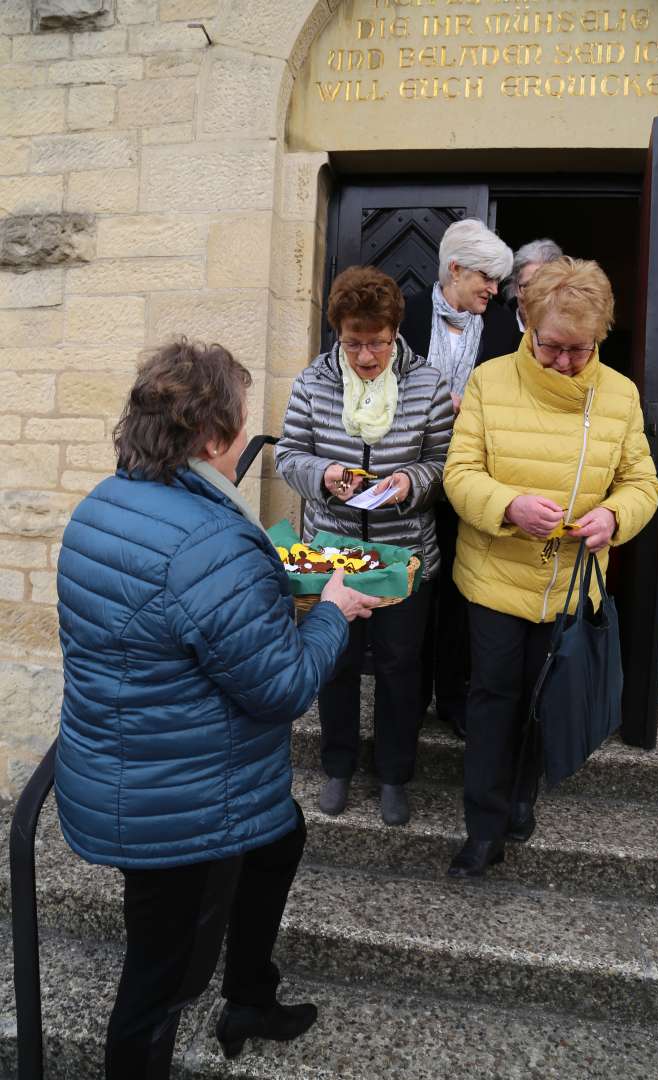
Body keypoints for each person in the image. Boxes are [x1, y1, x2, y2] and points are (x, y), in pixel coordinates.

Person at [54, 339, 379, 1079]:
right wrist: (331, 610)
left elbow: (171, 624)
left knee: (280, 840)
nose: (247, 438)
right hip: (184, 802)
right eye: (240, 422)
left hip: (141, 763)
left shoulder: (107, 502)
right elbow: (282, 686)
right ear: (208, 436)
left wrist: (258, 597)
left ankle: (250, 997)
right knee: (161, 981)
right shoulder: (211, 540)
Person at [443, 257, 658, 878]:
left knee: (544, 701)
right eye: (553, 348)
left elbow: (641, 482)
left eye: (579, 350)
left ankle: (522, 795)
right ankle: (482, 828)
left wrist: (615, 518)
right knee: (492, 700)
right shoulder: (489, 381)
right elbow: (458, 477)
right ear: (528, 326)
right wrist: (508, 505)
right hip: (493, 577)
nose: (565, 362)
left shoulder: (618, 394)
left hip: (569, 585)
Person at [275, 265, 454, 827]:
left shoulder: (429, 385)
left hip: (405, 558)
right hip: (331, 556)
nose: (367, 356)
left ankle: (396, 774)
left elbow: (446, 464)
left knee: (402, 668)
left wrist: (409, 484)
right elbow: (287, 456)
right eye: (354, 342)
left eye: (377, 342)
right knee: (336, 662)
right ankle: (338, 765)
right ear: (338, 333)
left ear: (395, 332)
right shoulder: (312, 382)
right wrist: (325, 474)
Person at [399, 218, 516, 739]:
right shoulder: (406, 313)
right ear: (455, 269)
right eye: (486, 278)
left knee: (457, 589)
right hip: (410, 475)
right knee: (410, 585)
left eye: (498, 280)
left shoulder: (503, 326)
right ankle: (405, 693)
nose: (494, 289)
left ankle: (452, 694)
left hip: (473, 478)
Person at [504, 237, 563, 338]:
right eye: (527, 286)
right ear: (516, 287)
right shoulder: (495, 326)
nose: (533, 297)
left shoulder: (571, 336)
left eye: (542, 288)